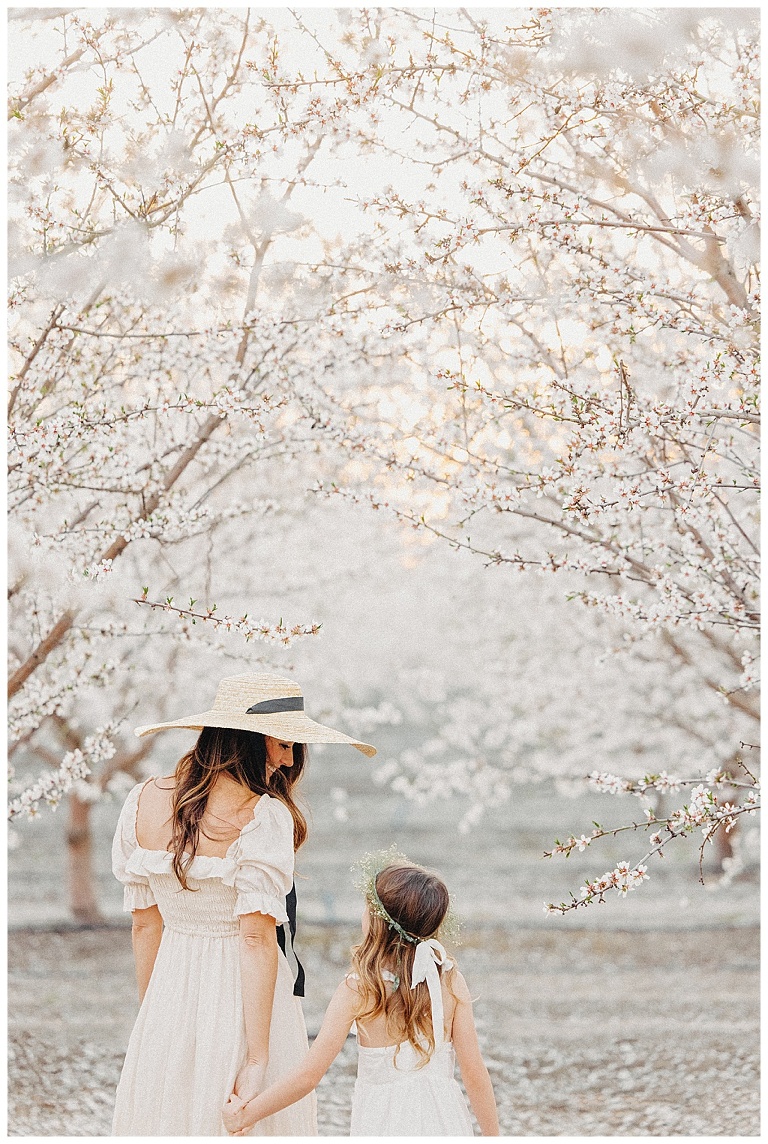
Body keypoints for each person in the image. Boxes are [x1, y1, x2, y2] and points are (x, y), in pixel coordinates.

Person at [111, 671, 375, 1136]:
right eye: (282, 743)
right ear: (246, 740)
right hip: (242, 991)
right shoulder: (263, 817)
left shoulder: (142, 801)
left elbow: (145, 927)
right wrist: (258, 1057)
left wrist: (154, 1015)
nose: (289, 759)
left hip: (169, 984)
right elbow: (255, 939)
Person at [222, 852, 499, 1137]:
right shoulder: (450, 980)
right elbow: (475, 1073)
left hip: (383, 1124)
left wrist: (245, 1115)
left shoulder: (360, 988)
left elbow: (308, 1075)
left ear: (377, 921)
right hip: (444, 1121)